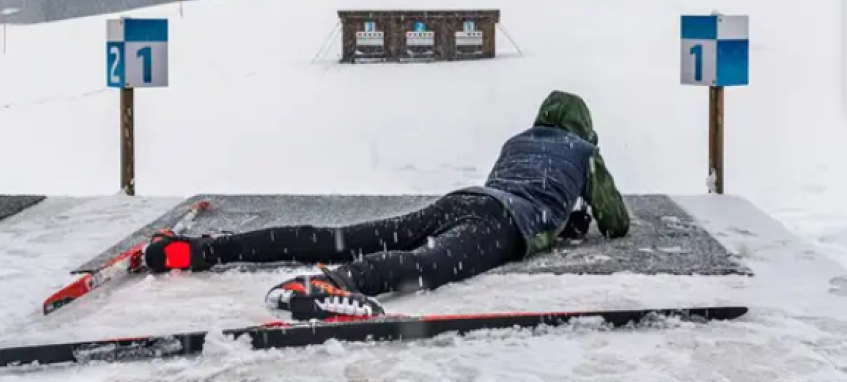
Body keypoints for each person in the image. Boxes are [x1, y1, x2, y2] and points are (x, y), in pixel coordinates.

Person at [143, 90, 630, 319]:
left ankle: (197, 251)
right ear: (582, 127)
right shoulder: (584, 153)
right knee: (430, 265)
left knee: (342, 238)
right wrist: (577, 213)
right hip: (507, 222)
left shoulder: (517, 140)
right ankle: (329, 285)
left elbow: (511, 183)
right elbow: (616, 223)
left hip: (465, 200)